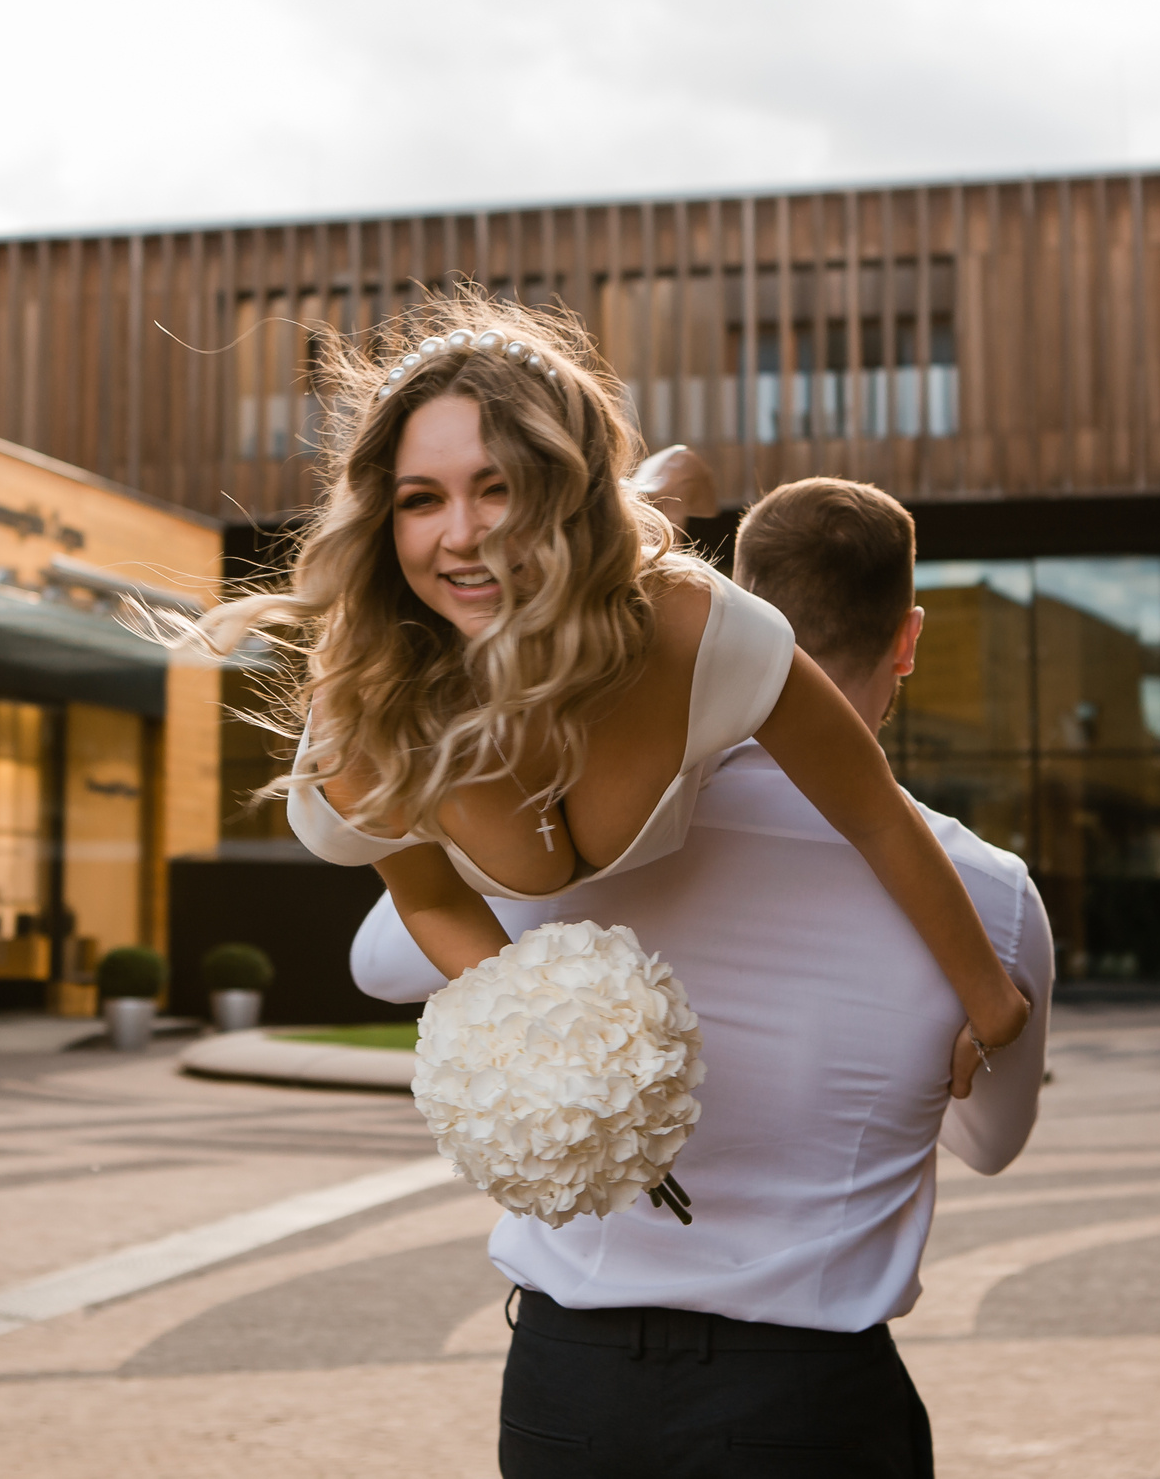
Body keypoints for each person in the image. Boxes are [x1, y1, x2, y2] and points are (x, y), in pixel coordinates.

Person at [352, 476, 1055, 1479]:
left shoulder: (587, 827)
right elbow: (992, 1140)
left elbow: (376, 964)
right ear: (907, 639)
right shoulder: (988, 897)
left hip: (568, 1397)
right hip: (802, 1404)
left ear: (739, 618)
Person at [175, 294, 1031, 1088]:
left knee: (656, 509)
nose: (461, 534)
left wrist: (992, 1001)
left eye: (499, 485)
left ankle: (661, 488)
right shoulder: (365, 717)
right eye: (421, 499)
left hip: (613, 600)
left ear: (564, 486)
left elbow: (874, 809)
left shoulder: (702, 630)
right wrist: (551, 1029)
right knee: (378, 961)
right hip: (483, 893)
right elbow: (432, 895)